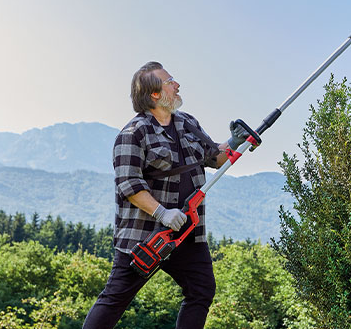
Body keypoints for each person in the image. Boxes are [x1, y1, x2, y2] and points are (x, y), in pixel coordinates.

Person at [83, 61, 249, 329]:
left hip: (188, 232)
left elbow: (213, 158)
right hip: (144, 237)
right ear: (155, 95)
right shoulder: (133, 134)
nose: (177, 84)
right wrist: (162, 213)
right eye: (170, 81)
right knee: (114, 300)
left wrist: (233, 143)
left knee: (201, 290)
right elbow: (129, 185)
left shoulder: (188, 123)